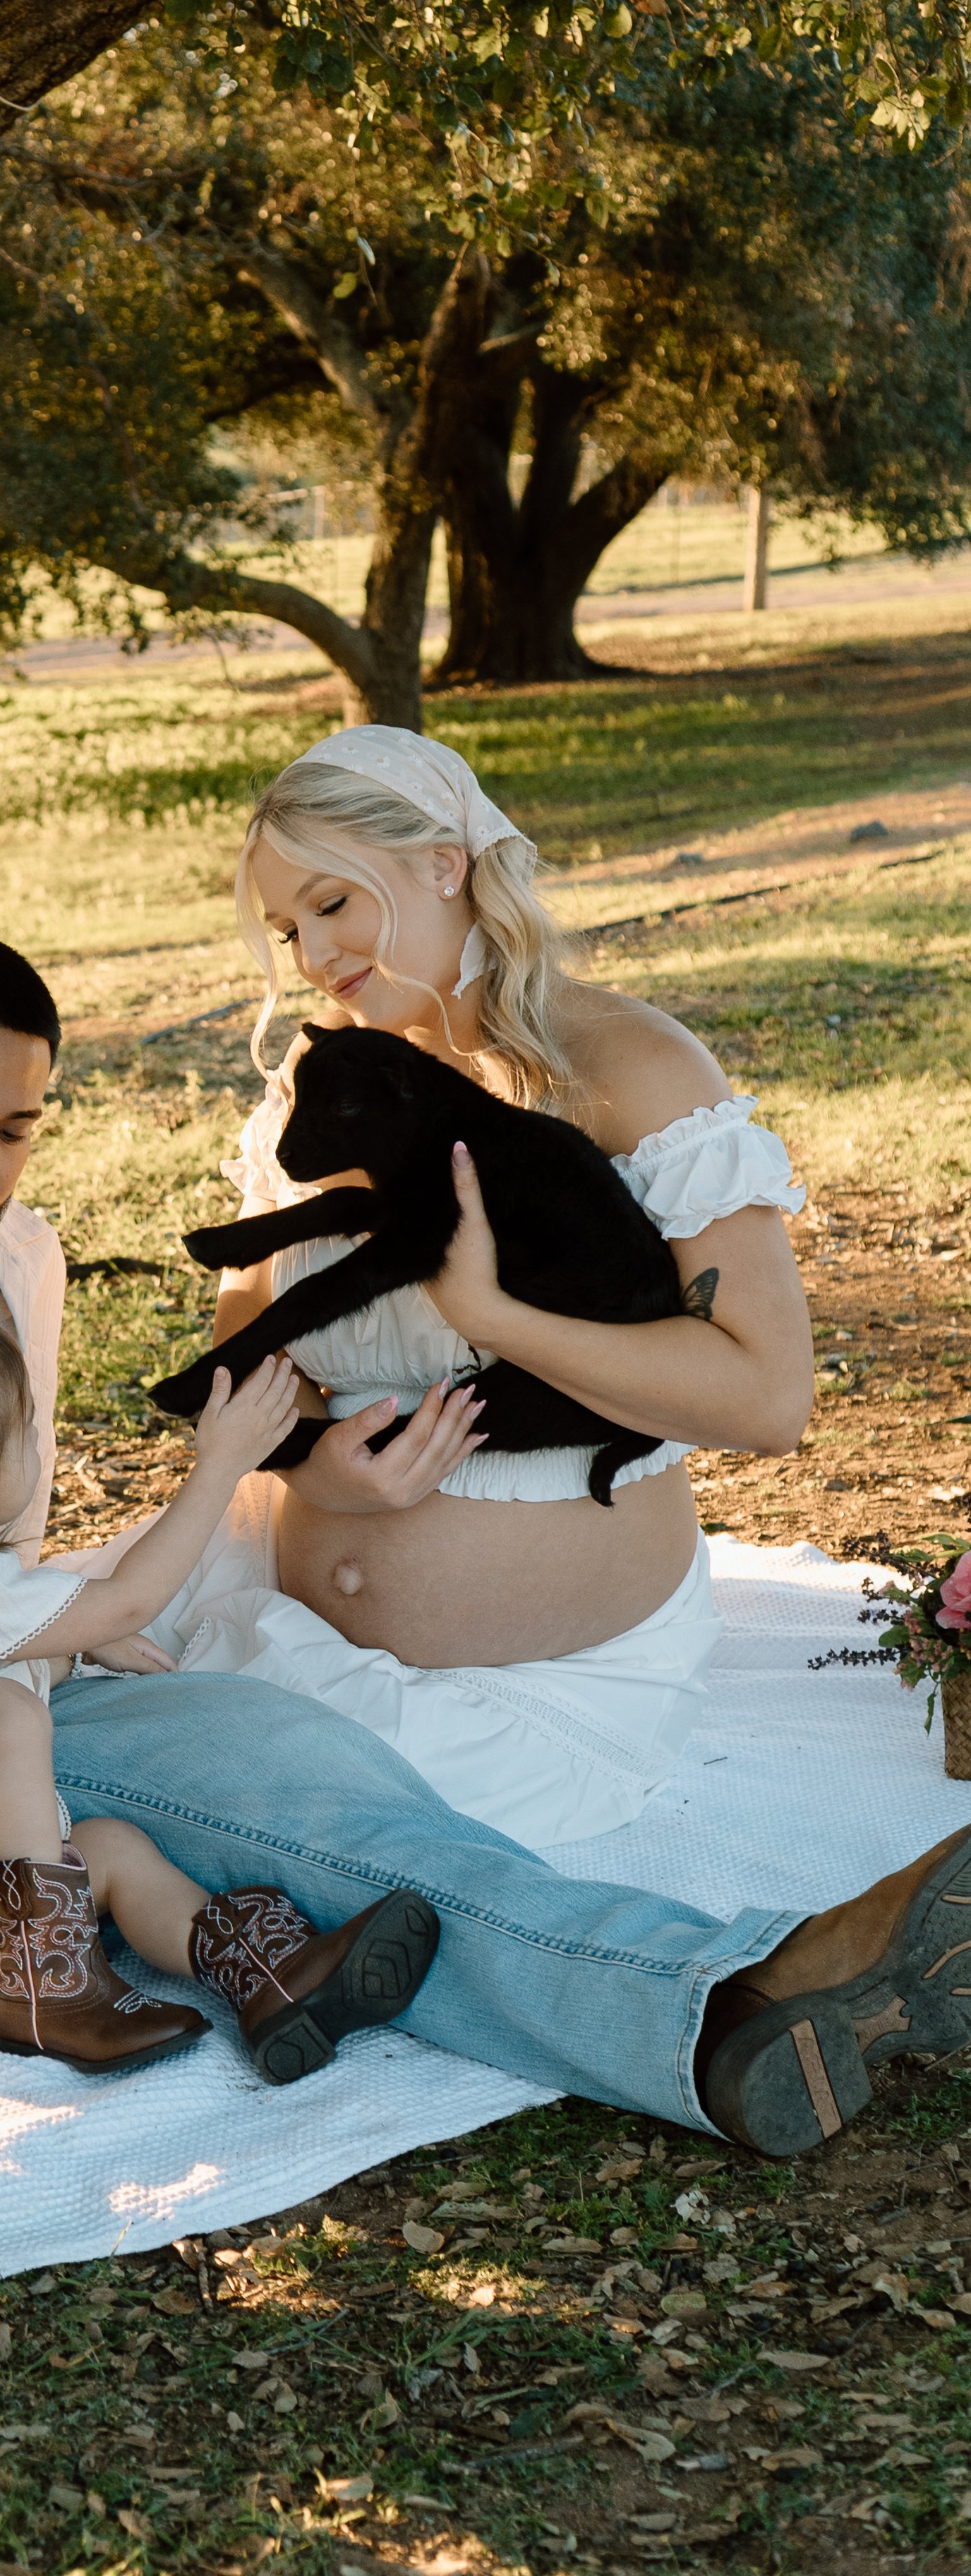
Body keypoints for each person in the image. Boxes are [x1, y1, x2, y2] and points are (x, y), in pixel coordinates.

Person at [0, 919, 971, 2237]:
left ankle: (707, 2006)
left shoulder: (5, 1258)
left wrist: (226, 1536)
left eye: (17, 1131)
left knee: (283, 1765)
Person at [177, 722, 814, 1848]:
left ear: (442, 861)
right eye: (289, 927)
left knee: (237, 1829)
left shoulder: (627, 1071)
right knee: (32, 1741)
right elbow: (251, 1360)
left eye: (333, 903)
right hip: (287, 1626)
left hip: (554, 1688)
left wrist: (494, 1317)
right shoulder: (330, 1086)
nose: (314, 954)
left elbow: (767, 1399)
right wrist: (313, 1463)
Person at [0, 1293, 432, 2097]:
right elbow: (128, 1599)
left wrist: (71, 1635)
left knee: (112, 1848)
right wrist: (220, 1465)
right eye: (24, 1434)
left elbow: (9, 1656)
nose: (38, 1443)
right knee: (2, 1712)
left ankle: (267, 1974)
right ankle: (51, 1993)